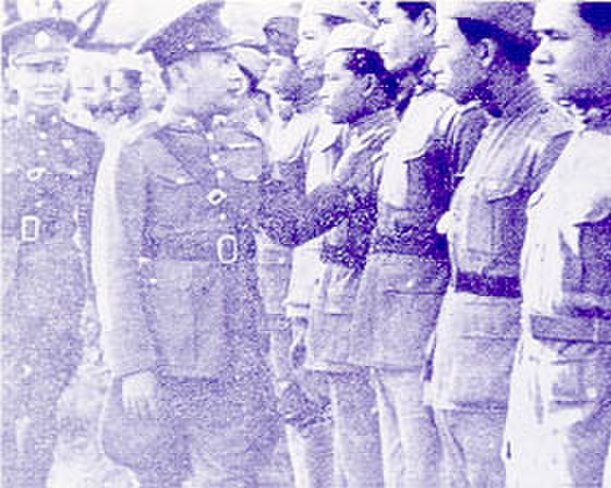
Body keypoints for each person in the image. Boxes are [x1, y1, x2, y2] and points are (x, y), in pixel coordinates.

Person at [94, 3, 278, 486]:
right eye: (219, 61)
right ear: (181, 73)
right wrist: (133, 365)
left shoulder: (244, 142)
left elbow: (282, 220)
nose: (231, 73)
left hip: (234, 340)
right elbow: (115, 264)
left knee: (231, 472)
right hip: (167, 350)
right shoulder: (136, 149)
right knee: (159, 472)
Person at [429, 1, 572, 486]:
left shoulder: (549, 137)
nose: (434, 63)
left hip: (499, 359)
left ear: (485, 51)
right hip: (459, 347)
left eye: (444, 49)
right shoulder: (490, 128)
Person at [349, 1, 487, 486]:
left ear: (427, 22)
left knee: (425, 463)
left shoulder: (457, 112)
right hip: (387, 311)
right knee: (398, 459)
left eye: (386, 23)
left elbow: (466, 236)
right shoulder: (414, 107)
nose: (378, 37)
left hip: (423, 313)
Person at [505, 2, 611, 486]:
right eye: (537, 39)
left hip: (604, 399)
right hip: (543, 380)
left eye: (557, 38)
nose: (538, 56)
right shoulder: (579, 139)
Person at [260, 23, 396, 487]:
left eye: (334, 80)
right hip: (337, 301)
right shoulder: (359, 141)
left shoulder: (377, 146)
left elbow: (300, 226)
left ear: (370, 84)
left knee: (359, 433)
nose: (323, 91)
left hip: (360, 304)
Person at [1, 17, 103, 488]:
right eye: (35, 69)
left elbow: (98, 230)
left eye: (56, 68)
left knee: (43, 407)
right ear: (12, 76)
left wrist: (94, 303)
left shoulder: (86, 146)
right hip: (5, 287)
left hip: (58, 289)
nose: (47, 80)